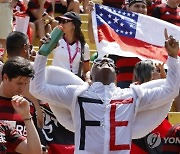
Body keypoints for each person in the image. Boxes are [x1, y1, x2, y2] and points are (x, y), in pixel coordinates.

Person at [30, 21, 180, 154]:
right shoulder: (76, 93)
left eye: (110, 63)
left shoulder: (132, 95)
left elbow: (171, 89)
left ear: (116, 76)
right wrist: (43, 54)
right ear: (91, 75)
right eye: (98, 62)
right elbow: (37, 89)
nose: (105, 62)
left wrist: (173, 57)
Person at [131, 60, 172, 154]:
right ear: (152, 74)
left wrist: (162, 73)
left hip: (138, 138)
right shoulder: (157, 93)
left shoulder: (134, 91)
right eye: (157, 71)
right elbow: (170, 89)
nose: (160, 73)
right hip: (155, 134)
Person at [53, 11, 91, 82]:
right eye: (60, 21)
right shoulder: (56, 41)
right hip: (56, 82)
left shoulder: (84, 47)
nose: (61, 24)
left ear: (74, 25)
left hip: (73, 84)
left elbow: (86, 70)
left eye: (64, 21)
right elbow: (42, 54)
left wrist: (88, 79)